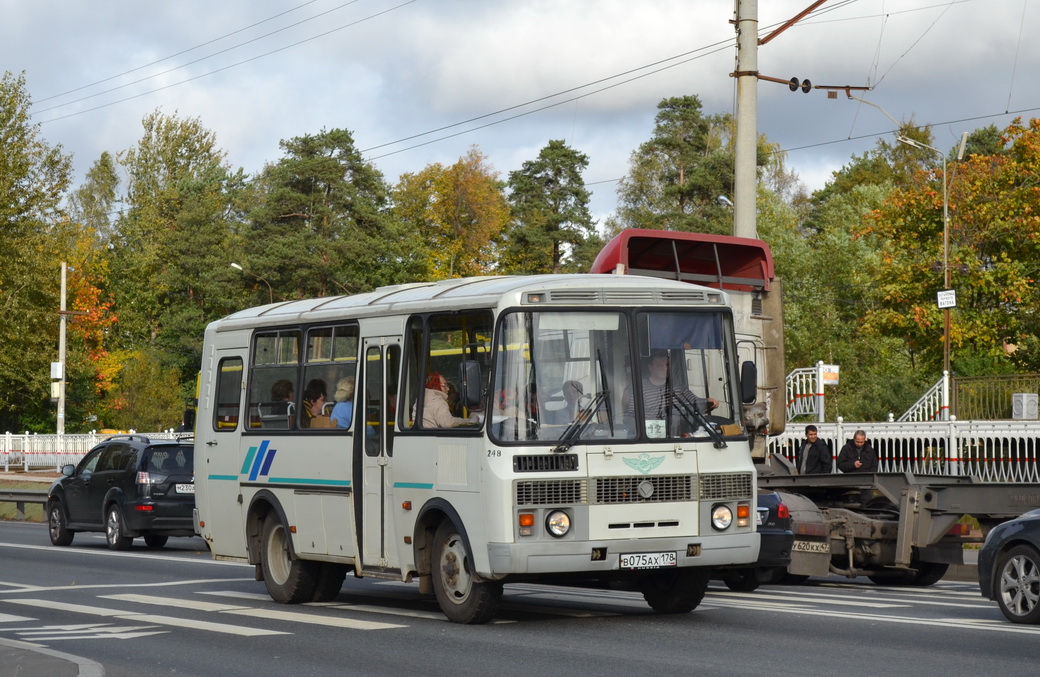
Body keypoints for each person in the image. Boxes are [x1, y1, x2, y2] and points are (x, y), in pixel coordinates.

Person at [625, 350, 718, 434]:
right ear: (651, 368)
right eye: (660, 365)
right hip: (651, 436)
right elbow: (631, 417)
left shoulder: (678, 387)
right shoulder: (640, 389)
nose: (665, 368)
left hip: (676, 433)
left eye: (667, 365)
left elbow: (695, 403)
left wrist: (708, 401)